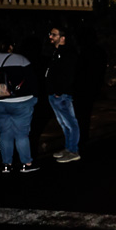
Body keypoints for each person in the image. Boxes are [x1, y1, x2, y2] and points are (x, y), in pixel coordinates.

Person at [0, 41, 39, 173]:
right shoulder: (21, 59)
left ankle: (7, 164)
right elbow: (33, 81)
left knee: (5, 132)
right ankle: (26, 164)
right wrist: (34, 98)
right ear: (10, 47)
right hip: (20, 101)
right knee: (21, 134)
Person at [46, 27, 81, 163]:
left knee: (71, 123)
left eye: (54, 35)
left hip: (62, 95)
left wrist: (59, 92)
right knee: (64, 123)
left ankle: (73, 151)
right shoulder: (56, 52)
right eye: (50, 34)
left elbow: (68, 75)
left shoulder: (68, 53)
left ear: (62, 38)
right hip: (55, 94)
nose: (50, 37)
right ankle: (68, 148)